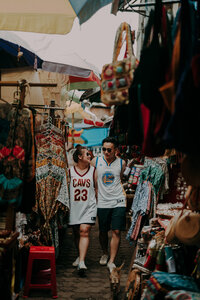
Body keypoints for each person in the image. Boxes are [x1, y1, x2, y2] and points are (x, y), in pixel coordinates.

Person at [91, 137, 126, 273]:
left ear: (115, 150)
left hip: (118, 200)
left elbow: (120, 178)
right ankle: (105, 252)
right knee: (103, 231)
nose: (105, 152)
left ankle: (112, 260)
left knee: (116, 231)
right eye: (103, 149)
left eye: (109, 149)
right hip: (102, 201)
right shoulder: (96, 161)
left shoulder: (122, 163)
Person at [68, 145, 98, 275]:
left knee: (84, 231)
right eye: (87, 154)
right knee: (76, 233)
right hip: (74, 206)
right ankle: (80, 255)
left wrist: (97, 203)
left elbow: (96, 188)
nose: (89, 156)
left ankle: (82, 262)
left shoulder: (93, 171)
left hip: (89, 206)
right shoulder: (69, 171)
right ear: (79, 157)